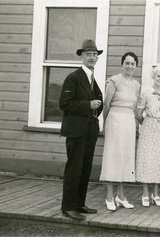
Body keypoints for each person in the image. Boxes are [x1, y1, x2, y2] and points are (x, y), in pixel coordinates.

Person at [59, 39, 103, 221]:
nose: (92, 57)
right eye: (88, 54)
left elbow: (99, 101)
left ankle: (79, 204)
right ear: (82, 56)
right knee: (74, 169)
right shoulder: (74, 77)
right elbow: (64, 104)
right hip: (76, 132)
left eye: (94, 55)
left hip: (89, 131)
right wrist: (88, 105)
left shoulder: (92, 78)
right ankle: (68, 207)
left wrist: (95, 108)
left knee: (85, 169)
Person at [99, 52, 141, 211]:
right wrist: (104, 125)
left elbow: (135, 107)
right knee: (113, 156)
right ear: (122, 64)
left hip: (129, 122)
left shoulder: (137, 85)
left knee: (125, 158)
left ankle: (121, 196)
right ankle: (109, 196)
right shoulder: (114, 81)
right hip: (115, 120)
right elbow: (106, 105)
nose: (130, 66)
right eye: (127, 63)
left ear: (136, 66)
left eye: (133, 64)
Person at [135, 66, 160, 207]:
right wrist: (147, 123)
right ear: (154, 76)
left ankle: (156, 194)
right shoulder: (145, 92)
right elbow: (138, 114)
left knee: (159, 160)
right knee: (148, 159)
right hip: (148, 130)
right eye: (158, 76)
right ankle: (145, 193)